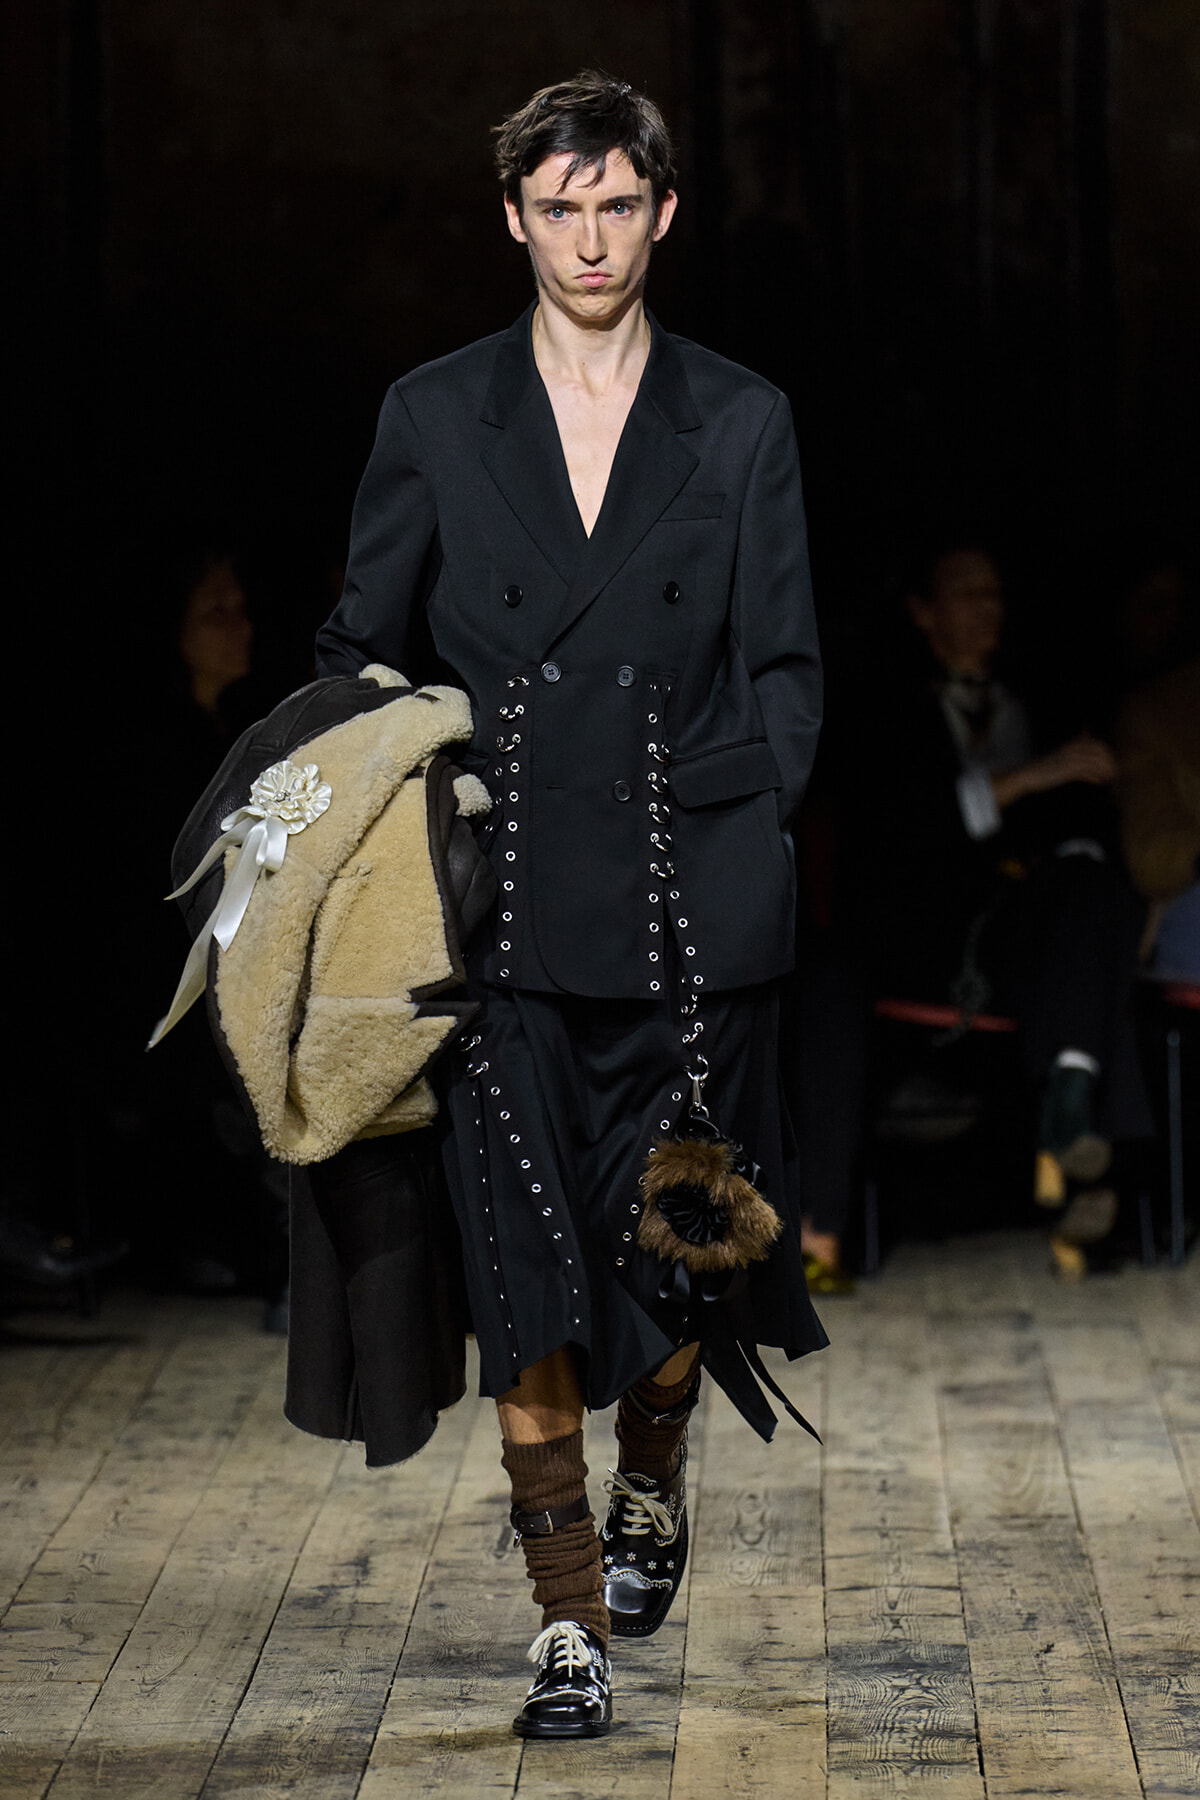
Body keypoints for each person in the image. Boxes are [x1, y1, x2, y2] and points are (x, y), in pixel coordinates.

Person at [312, 72, 827, 1737]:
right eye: (560, 209)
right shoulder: (436, 414)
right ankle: (567, 1621)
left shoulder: (739, 417)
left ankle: (654, 1461)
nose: (590, 241)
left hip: (688, 918)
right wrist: (406, 823)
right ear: (515, 220)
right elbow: (359, 650)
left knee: (680, 1268)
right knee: (524, 1271)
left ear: (662, 212)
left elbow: (785, 667)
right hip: (508, 920)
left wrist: (745, 839)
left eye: (617, 207)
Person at [864, 544, 1151, 1265]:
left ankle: (1070, 1107)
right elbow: (905, 830)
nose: (988, 606)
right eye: (967, 590)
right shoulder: (891, 709)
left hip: (1038, 932)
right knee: (1094, 954)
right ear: (923, 612)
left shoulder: (1038, 701)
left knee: (1092, 890)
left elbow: (1081, 824)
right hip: (941, 943)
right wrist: (1033, 777)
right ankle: (1083, 1139)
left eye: (994, 591)